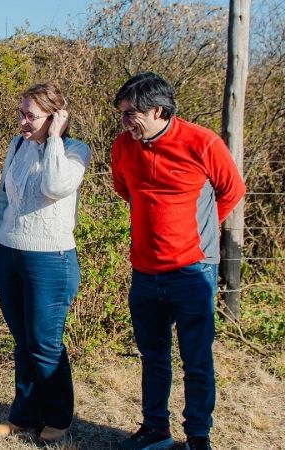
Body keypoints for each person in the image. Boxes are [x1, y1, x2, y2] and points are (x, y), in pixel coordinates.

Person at [111, 72, 245, 450]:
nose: (124, 122)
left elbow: (232, 191)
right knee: (153, 356)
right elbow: (125, 189)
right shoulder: (123, 146)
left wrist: (196, 230)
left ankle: (198, 436)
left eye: (130, 113)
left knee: (197, 360)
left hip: (193, 270)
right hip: (145, 271)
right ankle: (156, 429)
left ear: (157, 110)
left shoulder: (202, 142)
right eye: (121, 114)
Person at [0, 82, 91, 443]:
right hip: (9, 252)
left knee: (45, 344)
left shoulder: (76, 151)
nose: (23, 122)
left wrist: (56, 139)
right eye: (21, 114)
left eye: (31, 116)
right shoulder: (17, 145)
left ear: (56, 117)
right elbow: (3, 199)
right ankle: (24, 414)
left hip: (50, 260)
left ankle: (58, 419)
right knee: (22, 341)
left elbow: (53, 186)